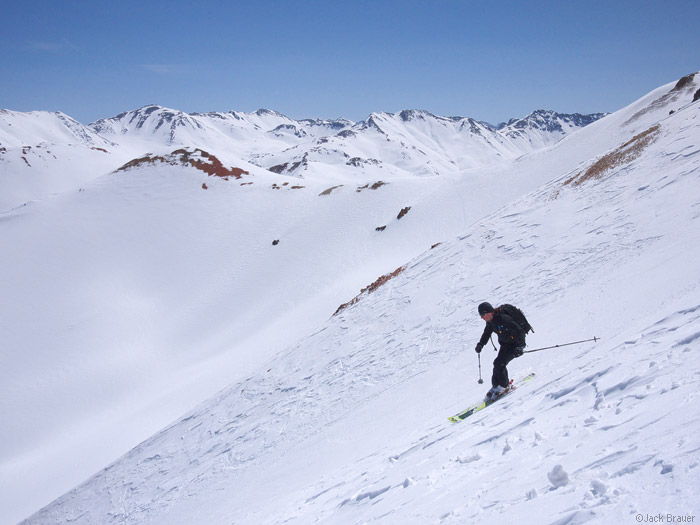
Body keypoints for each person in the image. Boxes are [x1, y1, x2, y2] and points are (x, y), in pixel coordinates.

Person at [475, 302, 527, 400]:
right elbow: (486, 333)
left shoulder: (503, 319)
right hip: (505, 345)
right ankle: (496, 386)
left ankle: (504, 386)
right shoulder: (491, 322)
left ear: (489, 312)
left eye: (482, 315)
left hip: (514, 345)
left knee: (500, 363)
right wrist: (480, 344)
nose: (481, 317)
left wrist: (520, 347)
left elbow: (519, 331)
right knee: (497, 363)